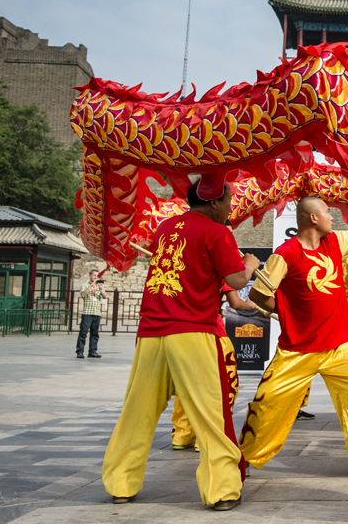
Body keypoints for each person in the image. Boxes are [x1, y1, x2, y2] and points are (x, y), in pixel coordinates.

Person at [102, 179, 258, 511]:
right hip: (191, 331)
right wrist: (251, 265)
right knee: (208, 414)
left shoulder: (166, 227)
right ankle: (222, 491)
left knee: (137, 411)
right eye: (229, 200)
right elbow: (235, 281)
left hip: (151, 332)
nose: (230, 207)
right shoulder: (218, 233)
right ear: (214, 202)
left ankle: (121, 484)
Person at [239, 199, 348, 473]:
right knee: (269, 402)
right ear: (314, 218)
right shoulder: (286, 254)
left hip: (340, 345)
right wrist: (288, 314)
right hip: (298, 349)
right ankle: (245, 457)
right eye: (328, 213)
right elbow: (259, 293)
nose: (333, 217)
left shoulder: (334, 242)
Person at [171, 283, 253, 450]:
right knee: (221, 386)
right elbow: (236, 303)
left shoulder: (176, 264)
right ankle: (208, 436)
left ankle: (182, 434)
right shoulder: (217, 264)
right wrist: (252, 303)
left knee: (186, 386)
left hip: (183, 334)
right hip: (211, 333)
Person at [76, 269, 106, 359]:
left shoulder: (99, 286)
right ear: (90, 276)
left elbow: (105, 296)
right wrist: (90, 286)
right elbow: (83, 295)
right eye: (94, 275)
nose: (96, 277)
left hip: (96, 313)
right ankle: (80, 351)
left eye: (97, 276)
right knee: (83, 332)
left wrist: (100, 288)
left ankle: (93, 351)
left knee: (95, 333)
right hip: (87, 313)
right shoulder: (84, 285)